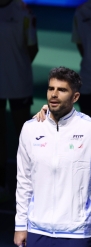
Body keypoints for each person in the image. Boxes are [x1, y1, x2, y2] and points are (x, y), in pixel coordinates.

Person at [14, 67, 91, 247]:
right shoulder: (31, 129)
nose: (54, 95)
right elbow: (24, 181)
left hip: (76, 236)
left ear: (75, 96)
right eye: (51, 89)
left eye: (61, 90)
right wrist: (21, 225)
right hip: (37, 234)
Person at [0, 0, 38, 200]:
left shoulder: (23, 11)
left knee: (25, 136)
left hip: (18, 83)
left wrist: (15, 67)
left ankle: (30, 186)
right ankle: (2, 183)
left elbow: (33, 48)